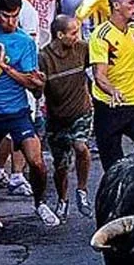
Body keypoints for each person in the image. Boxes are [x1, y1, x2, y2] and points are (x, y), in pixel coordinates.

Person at [0, 0, 59, 233]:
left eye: (14, 16)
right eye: (5, 16)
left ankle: (40, 203)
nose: (10, 22)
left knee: (37, 161)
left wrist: (5, 67)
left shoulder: (24, 42)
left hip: (17, 111)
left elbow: (31, 82)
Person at [90, 0, 134, 169]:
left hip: (133, 103)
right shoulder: (101, 36)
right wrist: (113, 91)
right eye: (132, 2)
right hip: (108, 107)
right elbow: (99, 75)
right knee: (113, 168)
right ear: (116, 5)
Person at [41, 16, 93, 220]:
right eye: (73, 33)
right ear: (59, 35)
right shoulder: (44, 57)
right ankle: (63, 200)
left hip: (81, 111)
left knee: (81, 146)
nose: (77, 37)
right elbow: (38, 89)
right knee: (61, 165)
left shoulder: (82, 48)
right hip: (57, 118)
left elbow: (103, 60)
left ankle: (82, 191)